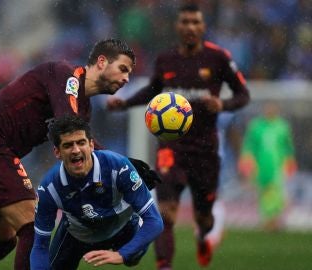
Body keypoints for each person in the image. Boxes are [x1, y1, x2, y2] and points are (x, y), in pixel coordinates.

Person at [0, 38, 137, 270]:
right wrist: (122, 166)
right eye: (122, 69)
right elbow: (67, 127)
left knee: (0, 243)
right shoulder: (66, 76)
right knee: (32, 227)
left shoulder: (84, 109)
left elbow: (77, 146)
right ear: (101, 62)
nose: (126, 78)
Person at [107, 4, 250, 269]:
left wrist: (223, 105)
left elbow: (244, 94)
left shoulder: (218, 58)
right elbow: (152, 90)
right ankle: (164, 265)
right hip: (170, 148)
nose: (190, 28)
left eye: (195, 22)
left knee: (204, 216)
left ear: (203, 26)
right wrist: (125, 104)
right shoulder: (166, 59)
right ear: (178, 26)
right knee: (166, 213)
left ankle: (204, 235)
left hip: (206, 149)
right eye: (185, 22)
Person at [30, 114, 163, 269]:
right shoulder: (49, 188)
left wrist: (122, 254)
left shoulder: (118, 167)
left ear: (91, 145)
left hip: (122, 226)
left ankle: (133, 228)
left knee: (132, 259)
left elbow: (155, 221)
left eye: (81, 143)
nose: (76, 150)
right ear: (57, 152)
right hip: (77, 234)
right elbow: (40, 246)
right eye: (67, 145)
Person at [238, 101, 297, 231]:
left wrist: (290, 161)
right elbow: (249, 146)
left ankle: (274, 220)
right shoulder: (256, 126)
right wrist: (246, 161)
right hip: (260, 165)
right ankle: (268, 220)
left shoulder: (282, 127)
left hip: (276, 165)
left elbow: (288, 147)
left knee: (275, 191)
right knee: (264, 192)